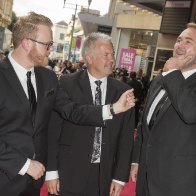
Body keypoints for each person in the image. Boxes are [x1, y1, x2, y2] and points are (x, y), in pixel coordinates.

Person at [0, 12, 135, 196]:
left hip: (32, 183)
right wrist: (24, 164)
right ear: (26, 43)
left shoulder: (47, 78)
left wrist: (113, 109)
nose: (50, 49)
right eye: (47, 44)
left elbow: (72, 111)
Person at [45, 32, 135, 196]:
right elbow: (53, 130)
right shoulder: (66, 83)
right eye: (106, 54)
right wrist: (51, 171)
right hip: (68, 171)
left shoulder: (124, 92)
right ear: (89, 58)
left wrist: (119, 177)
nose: (112, 59)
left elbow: (126, 138)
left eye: (112, 54)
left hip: (103, 176)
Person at [130, 22, 196, 196]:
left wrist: (174, 73)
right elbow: (144, 123)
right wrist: (137, 159)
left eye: (188, 42)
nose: (180, 45)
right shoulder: (161, 79)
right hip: (146, 178)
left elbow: (190, 111)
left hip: (178, 184)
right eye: (178, 40)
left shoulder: (171, 76)